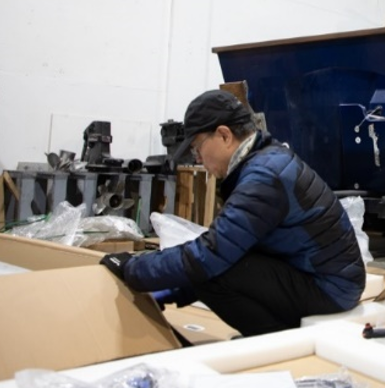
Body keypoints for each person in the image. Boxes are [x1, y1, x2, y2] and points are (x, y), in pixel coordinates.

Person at [99, 90, 364, 337]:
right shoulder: (264, 163)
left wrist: (133, 269)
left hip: (330, 289)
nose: (198, 159)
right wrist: (173, 289)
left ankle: (274, 342)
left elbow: (211, 255)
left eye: (197, 148)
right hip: (324, 277)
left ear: (224, 135)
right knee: (213, 265)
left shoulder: (264, 177)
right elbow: (230, 247)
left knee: (211, 273)